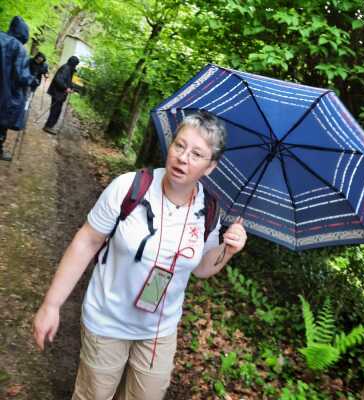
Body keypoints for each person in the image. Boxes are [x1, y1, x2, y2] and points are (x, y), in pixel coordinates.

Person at [33, 111, 247, 400]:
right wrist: (51, 304)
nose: (183, 158)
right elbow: (87, 241)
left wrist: (227, 250)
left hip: (159, 330)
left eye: (196, 154)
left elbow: (202, 268)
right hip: (107, 321)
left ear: (210, 167)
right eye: (180, 145)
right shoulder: (129, 188)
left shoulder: (208, 209)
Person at [0, 16, 34, 161]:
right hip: (5, 93)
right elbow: (22, 76)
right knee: (2, 120)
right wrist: (32, 80)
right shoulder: (18, 47)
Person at [43, 55, 79, 135]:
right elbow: (58, 80)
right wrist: (66, 88)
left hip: (59, 93)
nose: (76, 66)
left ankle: (50, 126)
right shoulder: (66, 68)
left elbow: (67, 81)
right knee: (55, 110)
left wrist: (71, 87)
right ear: (73, 63)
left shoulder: (69, 68)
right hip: (57, 93)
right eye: (76, 64)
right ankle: (48, 126)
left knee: (57, 110)